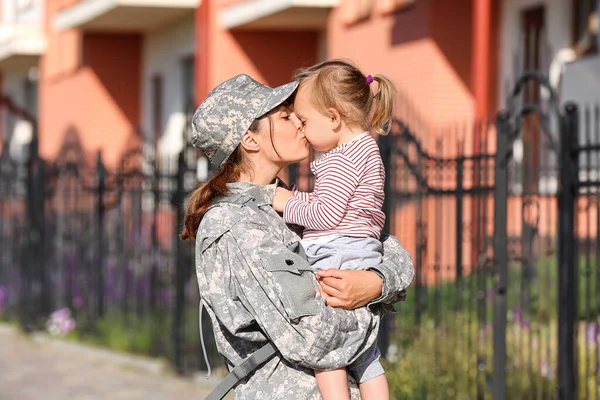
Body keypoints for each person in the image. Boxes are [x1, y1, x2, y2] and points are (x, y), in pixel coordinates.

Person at [180, 73, 414, 399]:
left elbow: (381, 247)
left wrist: (375, 282)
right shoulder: (236, 225)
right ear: (250, 140)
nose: (300, 125)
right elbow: (315, 337)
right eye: (286, 117)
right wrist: (375, 294)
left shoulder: (286, 203)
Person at [271, 60, 395, 400]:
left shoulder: (342, 159)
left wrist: (285, 202)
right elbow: (334, 205)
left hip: (337, 252)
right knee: (367, 355)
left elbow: (325, 214)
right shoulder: (366, 149)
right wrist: (300, 198)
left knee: (325, 345)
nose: (301, 128)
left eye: (305, 120)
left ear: (334, 119)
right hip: (359, 250)